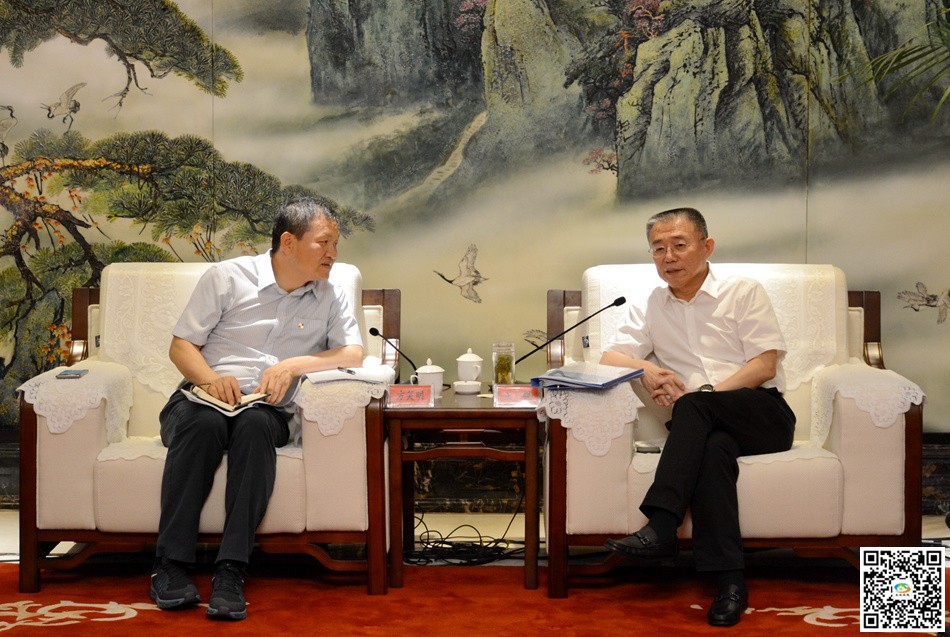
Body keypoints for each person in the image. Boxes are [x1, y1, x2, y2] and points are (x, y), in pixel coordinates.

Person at [148, 197, 363, 621]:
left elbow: (352, 353)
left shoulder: (330, 294)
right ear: (289, 242)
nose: (333, 254)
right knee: (204, 425)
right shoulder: (228, 277)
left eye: (335, 244)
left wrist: (293, 365)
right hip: (201, 400)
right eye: (323, 243)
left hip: (265, 409)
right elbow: (182, 345)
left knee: (255, 426)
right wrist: (210, 380)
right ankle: (170, 566)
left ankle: (231, 570)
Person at [600, 207, 796, 627]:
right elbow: (610, 357)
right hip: (708, 429)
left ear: (707, 247)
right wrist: (647, 368)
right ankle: (730, 584)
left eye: (679, 245)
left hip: (763, 414)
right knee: (712, 451)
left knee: (692, 405)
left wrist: (703, 397)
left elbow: (764, 365)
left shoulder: (743, 291)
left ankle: (661, 525)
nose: (668, 257)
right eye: (658, 248)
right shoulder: (651, 304)